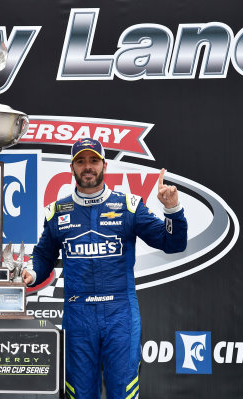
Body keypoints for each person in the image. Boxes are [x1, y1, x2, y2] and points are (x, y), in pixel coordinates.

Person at [22, 138, 187, 399]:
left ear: (104, 166)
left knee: (122, 392)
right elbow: (43, 256)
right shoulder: (57, 212)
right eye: (81, 161)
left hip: (120, 313)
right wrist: (31, 273)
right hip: (78, 316)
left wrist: (172, 209)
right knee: (80, 393)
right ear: (72, 168)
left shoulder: (129, 206)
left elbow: (173, 243)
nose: (88, 167)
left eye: (93, 160)